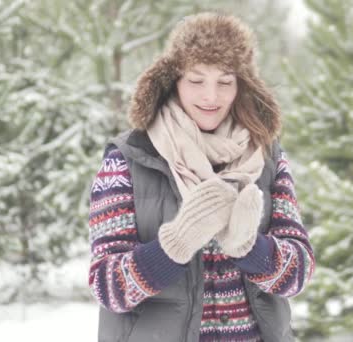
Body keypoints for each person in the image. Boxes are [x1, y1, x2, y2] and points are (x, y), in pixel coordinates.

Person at [87, 12, 315, 342]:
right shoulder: (127, 159)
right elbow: (108, 288)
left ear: (241, 86)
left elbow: (300, 272)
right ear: (172, 81)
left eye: (225, 82)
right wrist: (174, 247)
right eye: (196, 81)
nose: (211, 97)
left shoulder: (266, 157)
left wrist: (250, 249)